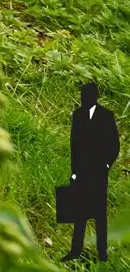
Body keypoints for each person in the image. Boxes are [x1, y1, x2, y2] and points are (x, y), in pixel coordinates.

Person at [61, 81, 118, 262]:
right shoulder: (77, 115)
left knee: (100, 213)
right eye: (82, 95)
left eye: (87, 95)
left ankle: (102, 253)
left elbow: (114, 144)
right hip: (82, 171)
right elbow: (74, 145)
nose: (84, 99)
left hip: (99, 172)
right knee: (80, 211)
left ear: (95, 97)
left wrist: (107, 165)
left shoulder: (106, 116)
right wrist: (74, 170)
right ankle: (75, 250)